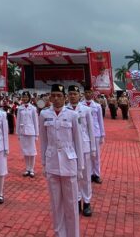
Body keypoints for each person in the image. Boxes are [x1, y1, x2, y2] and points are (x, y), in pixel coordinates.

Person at [40, 84, 85, 237]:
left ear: (65, 97)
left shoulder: (72, 115)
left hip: (69, 163)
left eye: (59, 96)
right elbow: (43, 142)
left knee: (71, 204)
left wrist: (80, 167)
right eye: (54, 96)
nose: (56, 99)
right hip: (52, 163)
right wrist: (44, 164)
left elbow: (78, 142)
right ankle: (60, 234)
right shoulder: (44, 115)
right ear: (50, 97)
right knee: (56, 204)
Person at [67, 85, 96, 216]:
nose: (72, 96)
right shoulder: (65, 110)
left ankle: (87, 202)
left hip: (84, 147)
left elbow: (91, 130)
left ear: (80, 95)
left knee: (85, 177)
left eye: (75, 94)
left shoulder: (86, 110)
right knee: (74, 176)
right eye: (70, 93)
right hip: (71, 148)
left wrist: (93, 148)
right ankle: (77, 200)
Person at [83, 87, 105, 184]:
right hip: (85, 134)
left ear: (92, 94)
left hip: (96, 133)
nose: (88, 94)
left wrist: (102, 135)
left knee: (95, 155)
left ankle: (96, 174)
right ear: (84, 93)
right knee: (86, 155)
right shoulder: (80, 105)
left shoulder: (97, 106)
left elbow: (100, 121)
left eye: (89, 92)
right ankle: (89, 174)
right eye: (86, 92)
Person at [16, 91, 39, 177]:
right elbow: (18, 120)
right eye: (23, 97)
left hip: (31, 132)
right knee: (25, 151)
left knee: (32, 151)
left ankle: (32, 169)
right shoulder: (20, 108)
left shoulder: (33, 108)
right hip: (23, 132)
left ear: (29, 98)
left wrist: (36, 134)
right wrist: (18, 133)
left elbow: (35, 121)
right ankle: (27, 168)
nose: (25, 98)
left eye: (26, 97)